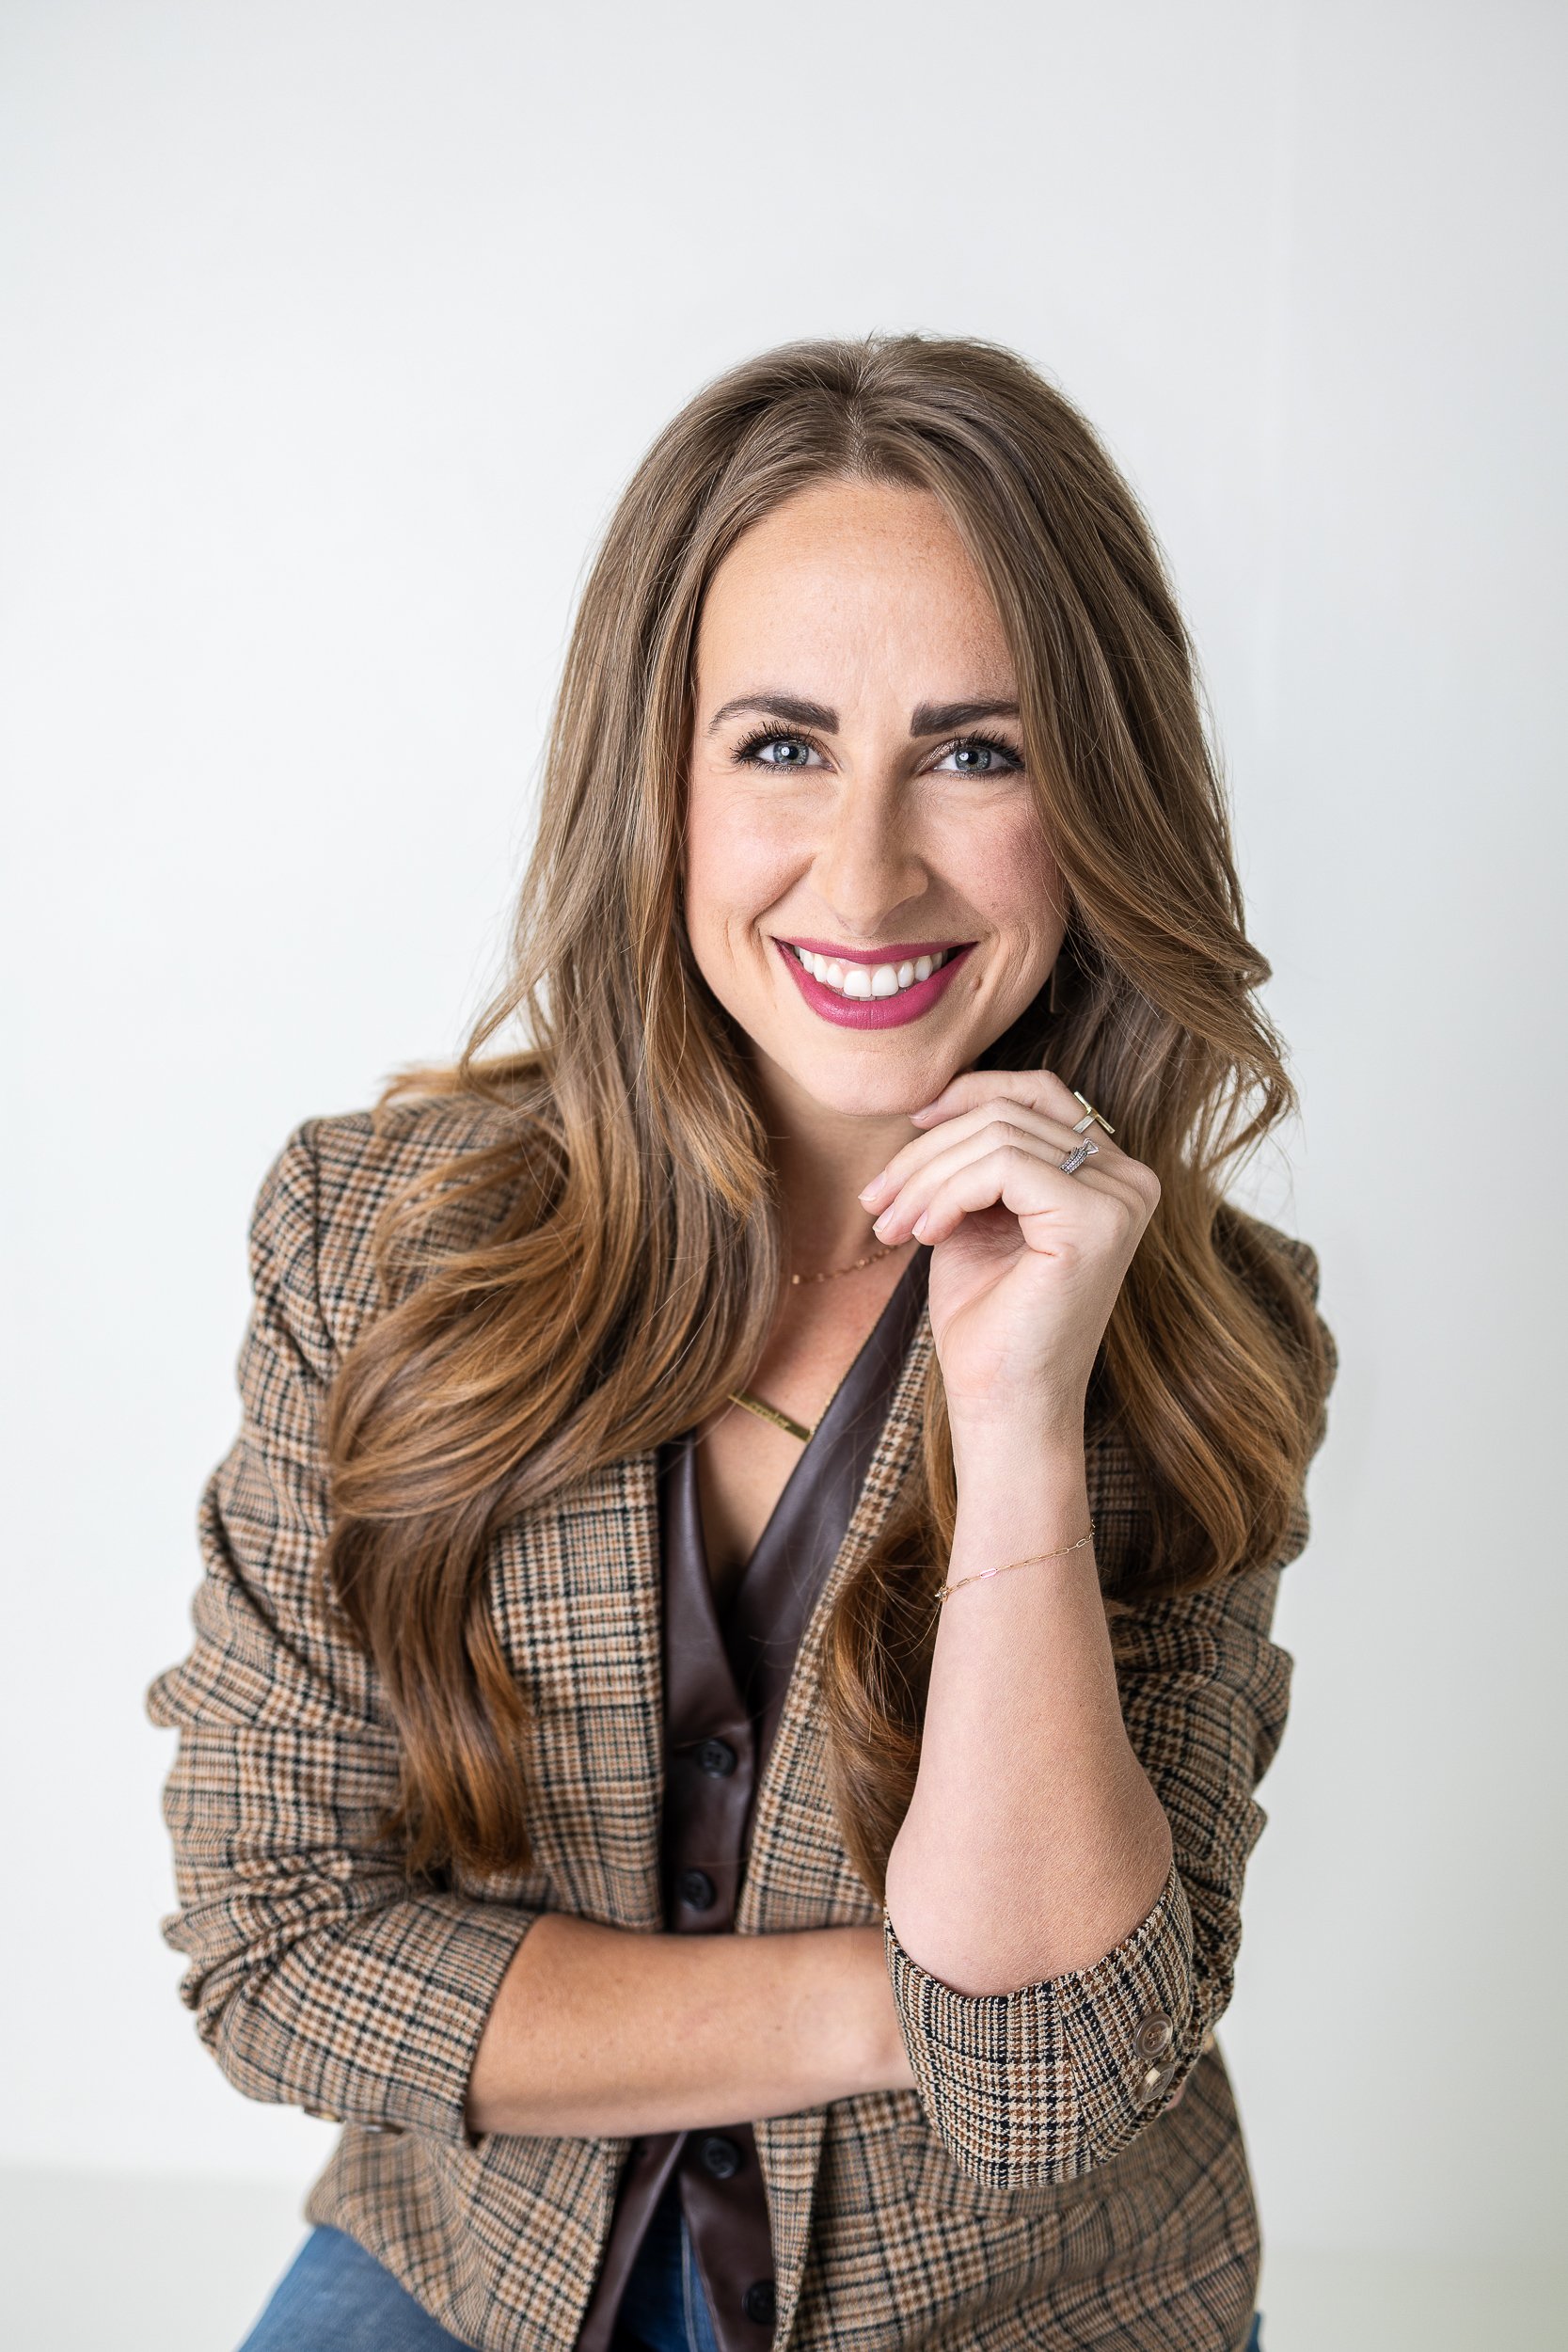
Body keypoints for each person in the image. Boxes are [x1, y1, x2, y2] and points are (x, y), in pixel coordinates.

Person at [145, 331, 1337, 2352]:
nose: (865, 869)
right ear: (659, 779)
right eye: (781, 743)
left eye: (980, 749)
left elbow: (1040, 2087)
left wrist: (1023, 1418)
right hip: (480, 2252)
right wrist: (890, 2006)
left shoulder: (1205, 1336)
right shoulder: (373, 1237)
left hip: (1008, 2303)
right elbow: (273, 1950)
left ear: (1098, 794)